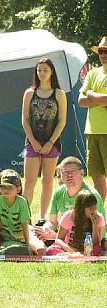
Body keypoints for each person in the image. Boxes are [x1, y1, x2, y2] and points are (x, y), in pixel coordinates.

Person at [21, 58, 67, 221]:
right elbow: (25, 119)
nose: (42, 73)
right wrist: (33, 141)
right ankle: (25, 218)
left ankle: (42, 217)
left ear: (52, 71)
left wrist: (50, 142)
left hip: (52, 143)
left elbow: (62, 121)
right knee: (29, 181)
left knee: (47, 181)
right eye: (39, 70)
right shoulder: (29, 93)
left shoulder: (59, 94)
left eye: (45, 70)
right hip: (32, 142)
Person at [37, 156, 106, 242]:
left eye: (73, 171)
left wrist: (56, 236)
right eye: (65, 172)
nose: (69, 175)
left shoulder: (90, 196)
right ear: (61, 175)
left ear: (82, 172)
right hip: (61, 238)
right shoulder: (58, 192)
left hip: (87, 243)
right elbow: (53, 222)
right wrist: (44, 230)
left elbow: (99, 233)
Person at [0, 169, 46, 256]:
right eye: (3, 187)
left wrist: (27, 244)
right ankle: (11, 250)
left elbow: (25, 225)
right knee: (7, 247)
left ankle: (33, 251)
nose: (6, 190)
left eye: (9, 187)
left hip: (24, 234)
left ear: (18, 189)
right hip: (5, 236)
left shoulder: (22, 202)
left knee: (39, 247)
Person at [78, 37, 107, 200]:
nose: (103, 54)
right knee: (96, 173)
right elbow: (81, 102)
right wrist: (99, 98)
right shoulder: (92, 73)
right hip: (91, 131)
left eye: (106, 51)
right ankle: (101, 211)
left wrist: (89, 93)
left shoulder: (90, 78)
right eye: (101, 51)